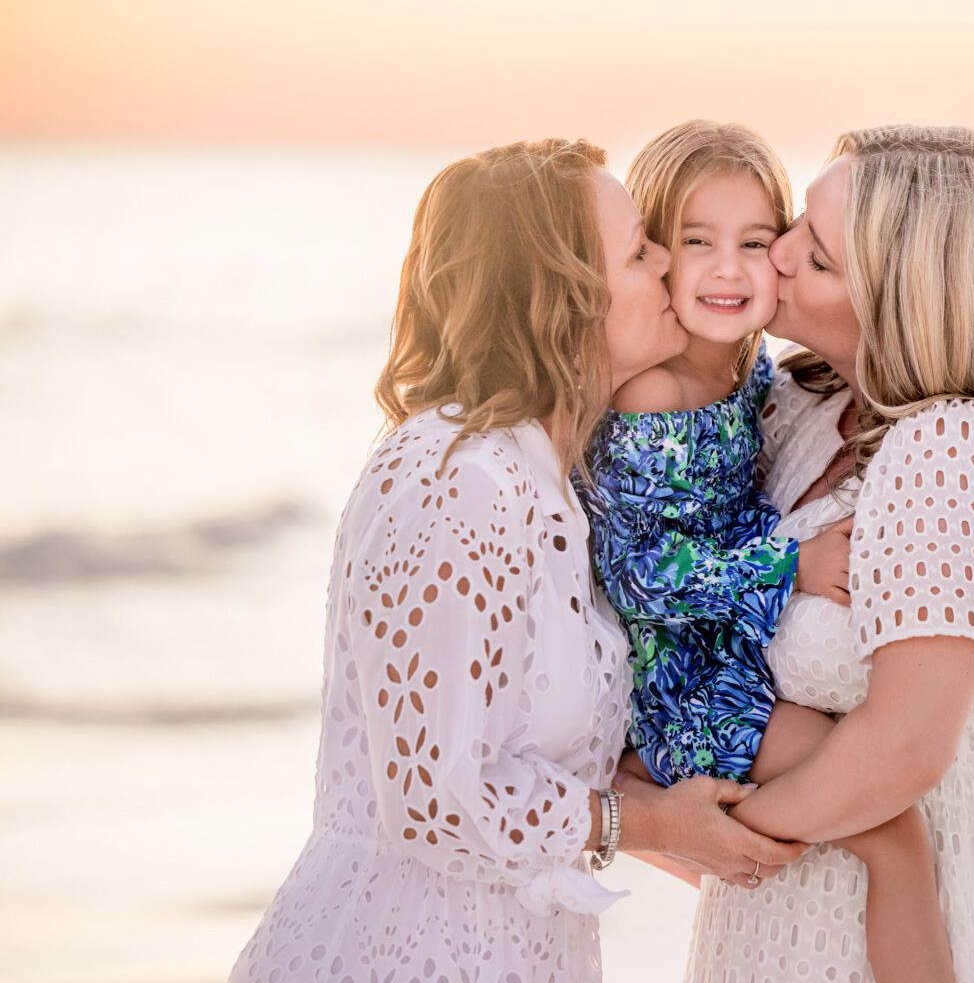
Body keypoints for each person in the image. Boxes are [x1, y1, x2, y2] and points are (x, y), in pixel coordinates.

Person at [228, 138, 805, 983]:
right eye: (640, 251)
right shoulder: (451, 477)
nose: (665, 270)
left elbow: (529, 758)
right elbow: (436, 799)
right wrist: (645, 827)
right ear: (560, 292)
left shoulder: (564, 481)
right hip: (403, 955)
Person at [671, 124, 974, 982]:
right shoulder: (803, 412)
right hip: (781, 911)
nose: (782, 253)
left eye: (823, 258)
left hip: (932, 921)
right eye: (799, 220)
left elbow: (905, 747)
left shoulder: (963, 444)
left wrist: (707, 829)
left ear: (906, 301)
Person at [579, 120, 955, 981]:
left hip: (729, 657)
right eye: (695, 241)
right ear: (652, 254)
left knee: (883, 822)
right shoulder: (653, 393)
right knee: (895, 839)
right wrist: (791, 565)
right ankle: (644, 810)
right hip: (689, 683)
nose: (728, 268)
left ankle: (640, 808)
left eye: (756, 241)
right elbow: (639, 577)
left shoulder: (753, 373)